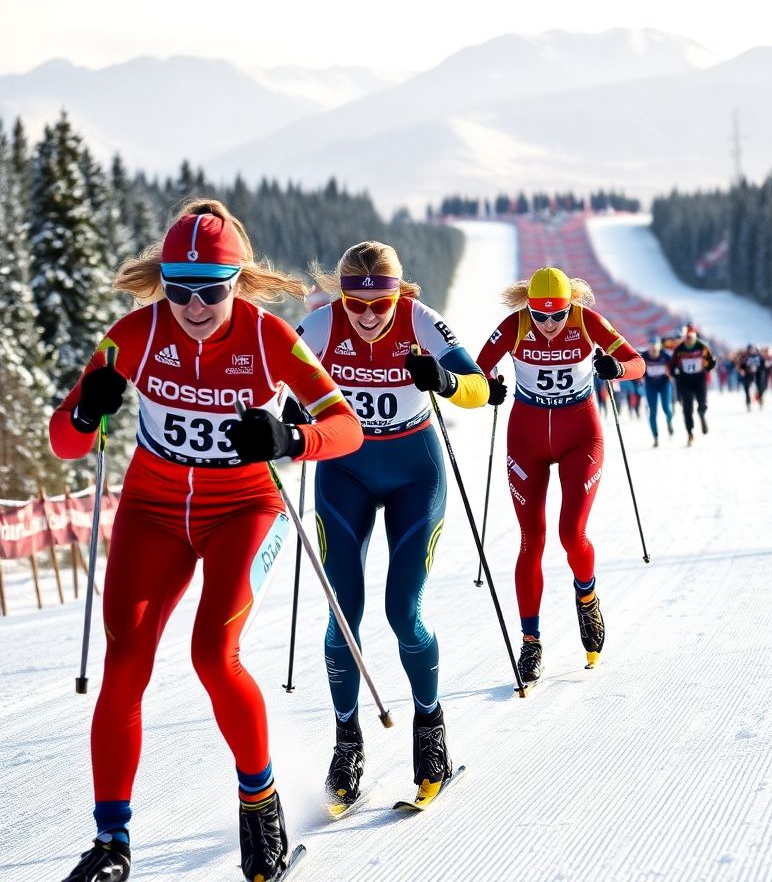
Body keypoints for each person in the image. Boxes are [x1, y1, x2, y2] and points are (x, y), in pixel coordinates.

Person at [51, 201, 364, 882]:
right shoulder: (133, 333)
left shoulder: (268, 336)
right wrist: (86, 409)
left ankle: (261, 806)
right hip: (152, 512)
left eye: (212, 289)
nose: (194, 305)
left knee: (212, 654)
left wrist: (292, 438)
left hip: (245, 509)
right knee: (125, 662)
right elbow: (65, 441)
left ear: (238, 282)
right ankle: (111, 843)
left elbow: (347, 427)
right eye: (179, 287)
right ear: (163, 281)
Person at [296, 241, 488, 813]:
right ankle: (347, 742)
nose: (370, 314)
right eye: (357, 303)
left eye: (381, 301)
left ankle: (430, 731)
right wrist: (284, 414)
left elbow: (478, 387)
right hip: (344, 471)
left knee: (403, 611)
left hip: (413, 473)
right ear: (342, 295)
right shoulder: (320, 325)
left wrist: (445, 382)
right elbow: (268, 382)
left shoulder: (421, 321)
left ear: (399, 293)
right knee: (343, 615)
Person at [476, 267, 644, 683]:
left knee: (572, 532)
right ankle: (530, 643)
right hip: (527, 437)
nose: (549, 326)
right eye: (540, 316)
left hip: (580, 435)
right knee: (531, 538)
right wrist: (489, 385)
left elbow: (637, 362)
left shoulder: (586, 322)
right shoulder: (514, 326)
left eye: (558, 315)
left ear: (570, 306)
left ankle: (586, 596)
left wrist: (616, 369)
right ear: (528, 307)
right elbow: (476, 369)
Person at [669, 324, 716, 445]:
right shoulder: (679, 349)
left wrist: (709, 365)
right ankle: (690, 433)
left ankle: (702, 415)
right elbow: (672, 365)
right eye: (687, 337)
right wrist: (676, 375)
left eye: (691, 337)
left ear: (695, 336)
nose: (689, 339)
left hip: (699, 379)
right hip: (685, 381)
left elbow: (710, 361)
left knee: (702, 404)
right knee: (687, 408)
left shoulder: (702, 347)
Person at [641, 334, 674, 446]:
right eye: (652, 347)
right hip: (650, 386)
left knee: (667, 408)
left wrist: (672, 373)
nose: (654, 350)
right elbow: (637, 366)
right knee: (653, 411)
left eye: (656, 347)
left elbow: (674, 367)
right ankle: (655, 437)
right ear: (648, 347)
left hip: (664, 384)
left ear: (660, 347)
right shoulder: (644, 356)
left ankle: (669, 421)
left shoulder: (666, 356)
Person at [737, 345, 766, 410]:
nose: (751, 350)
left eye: (752, 349)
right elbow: (739, 365)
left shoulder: (759, 356)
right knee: (746, 389)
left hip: (758, 374)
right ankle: (748, 402)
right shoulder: (745, 357)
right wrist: (741, 370)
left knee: (760, 387)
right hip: (748, 374)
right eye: (750, 349)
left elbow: (764, 364)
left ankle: (760, 400)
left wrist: (762, 371)